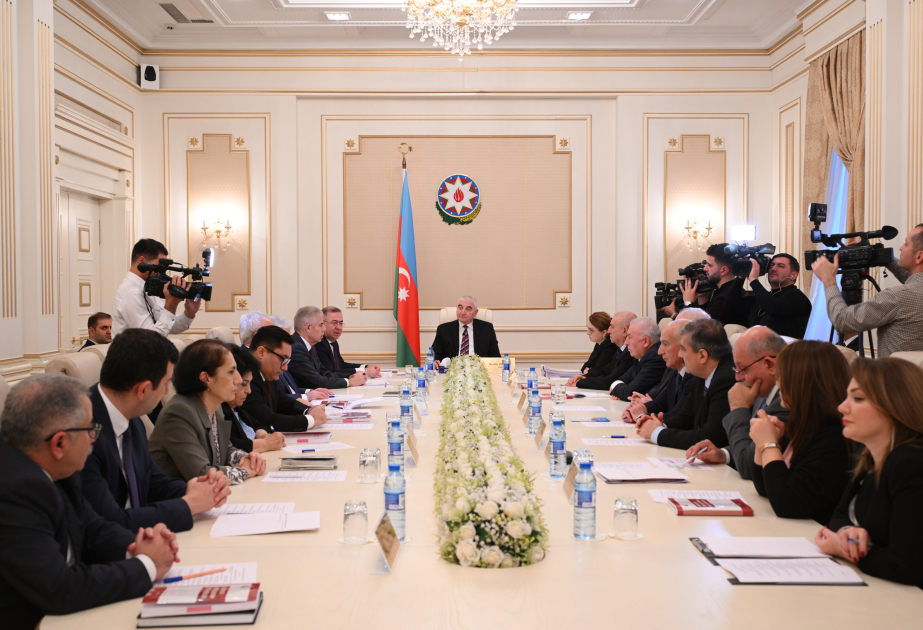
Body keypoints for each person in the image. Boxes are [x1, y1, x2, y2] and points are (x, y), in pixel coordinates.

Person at [0, 374, 179, 629]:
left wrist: (140, 546)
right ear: (59, 443)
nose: (94, 438)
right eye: (89, 430)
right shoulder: (13, 489)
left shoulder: (55, 467)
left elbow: (94, 529)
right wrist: (147, 565)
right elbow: (60, 589)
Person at [82, 329, 231, 533]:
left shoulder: (131, 417)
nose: (167, 391)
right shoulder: (82, 432)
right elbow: (110, 521)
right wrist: (189, 505)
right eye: (165, 383)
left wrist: (195, 489)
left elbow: (151, 481)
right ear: (143, 390)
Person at [815, 357, 923, 588]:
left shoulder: (911, 463)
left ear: (895, 405)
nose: (842, 407)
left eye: (858, 399)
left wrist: (844, 549)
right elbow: (838, 515)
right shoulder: (869, 456)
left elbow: (906, 566)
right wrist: (849, 532)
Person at [747, 340, 851, 524]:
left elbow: (787, 504)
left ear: (803, 383)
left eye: (783, 377)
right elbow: (765, 488)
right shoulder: (802, 423)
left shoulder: (832, 438)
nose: (778, 383)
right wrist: (762, 442)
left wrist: (768, 444)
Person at [149, 340, 266, 484]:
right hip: (179, 496)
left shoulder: (215, 407)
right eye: (231, 372)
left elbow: (226, 450)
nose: (238, 379)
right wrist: (245, 471)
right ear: (206, 378)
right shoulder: (178, 413)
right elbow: (201, 474)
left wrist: (246, 458)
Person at [688, 326, 790, 479]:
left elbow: (748, 466)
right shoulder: (763, 388)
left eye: (743, 369)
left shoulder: (786, 402)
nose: (737, 377)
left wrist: (738, 408)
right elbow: (753, 447)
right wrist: (724, 454)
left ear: (769, 365)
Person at [812, 224, 923, 357]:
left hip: (894, 371)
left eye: (906, 244)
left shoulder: (897, 297)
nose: (901, 247)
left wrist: (829, 280)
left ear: (919, 256)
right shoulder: (914, 291)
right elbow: (914, 279)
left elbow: (842, 321)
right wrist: (876, 253)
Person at [637, 319, 734, 450]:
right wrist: (658, 424)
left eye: (683, 349)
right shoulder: (701, 372)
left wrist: (657, 434)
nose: (680, 354)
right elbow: (686, 417)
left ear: (702, 355)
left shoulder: (726, 379)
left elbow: (711, 437)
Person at [243, 325, 329, 431]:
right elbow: (268, 421)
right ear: (261, 352)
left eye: (287, 361)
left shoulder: (266, 373)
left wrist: (309, 410)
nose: (285, 367)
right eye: (283, 359)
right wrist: (311, 420)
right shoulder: (245, 378)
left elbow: (285, 403)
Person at [112, 238, 201, 336]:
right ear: (142, 262)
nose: (162, 272)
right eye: (159, 266)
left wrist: (189, 312)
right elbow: (150, 339)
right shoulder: (131, 293)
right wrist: (171, 304)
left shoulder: (147, 286)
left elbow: (168, 326)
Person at [621, 320, 695, 424]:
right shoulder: (675, 372)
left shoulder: (693, 376)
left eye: (665, 344)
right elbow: (660, 404)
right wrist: (635, 410)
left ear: (683, 347)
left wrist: (641, 416)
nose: (660, 351)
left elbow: (679, 418)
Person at [225, 345, 286, 453]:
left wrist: (261, 433)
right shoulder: (220, 412)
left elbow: (259, 424)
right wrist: (265, 444)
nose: (249, 391)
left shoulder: (237, 408)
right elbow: (227, 445)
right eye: (244, 384)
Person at [289, 306, 368, 390]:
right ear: (308, 327)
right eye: (321, 325)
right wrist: (349, 382)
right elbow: (317, 381)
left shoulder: (310, 346)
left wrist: (350, 376)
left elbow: (324, 373)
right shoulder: (296, 348)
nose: (324, 329)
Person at [674, 244, 749, 326]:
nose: (704, 268)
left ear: (724, 270)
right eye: (706, 264)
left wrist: (688, 303)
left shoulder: (725, 298)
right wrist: (703, 298)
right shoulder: (727, 290)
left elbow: (698, 329)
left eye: (709, 265)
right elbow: (707, 316)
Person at [747, 254, 812, 338]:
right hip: (757, 343)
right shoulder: (766, 296)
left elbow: (774, 309)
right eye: (771, 265)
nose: (773, 269)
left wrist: (754, 281)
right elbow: (731, 307)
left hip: (785, 345)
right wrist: (741, 275)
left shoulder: (798, 297)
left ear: (793, 275)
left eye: (780, 266)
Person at [569, 311, 637, 390]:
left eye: (612, 327)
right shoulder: (620, 350)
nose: (609, 331)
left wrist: (580, 382)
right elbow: (604, 371)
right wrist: (584, 377)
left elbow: (610, 381)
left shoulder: (630, 353)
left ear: (624, 331)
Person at [432, 296, 501, 366]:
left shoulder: (487, 329)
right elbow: (435, 354)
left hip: (479, 369)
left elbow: (495, 356)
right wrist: (435, 361)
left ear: (475, 312)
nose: (463, 312)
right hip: (452, 369)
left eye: (468, 309)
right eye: (460, 308)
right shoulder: (444, 329)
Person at [315, 306, 382, 378]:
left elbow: (341, 365)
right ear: (323, 323)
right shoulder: (319, 343)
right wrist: (364, 371)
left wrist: (366, 367)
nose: (338, 327)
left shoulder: (333, 342)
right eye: (334, 323)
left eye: (341, 323)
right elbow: (330, 372)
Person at [609, 318, 667, 400]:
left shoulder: (655, 358)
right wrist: (620, 388)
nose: (626, 342)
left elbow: (630, 392)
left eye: (630, 337)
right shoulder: (641, 356)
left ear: (645, 341)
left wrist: (616, 388)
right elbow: (622, 379)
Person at [577, 312, 618, 377]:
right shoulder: (599, 344)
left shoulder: (610, 346)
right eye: (588, 329)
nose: (587, 333)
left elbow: (597, 372)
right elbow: (585, 366)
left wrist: (589, 371)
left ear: (604, 332)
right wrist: (588, 370)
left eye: (591, 330)